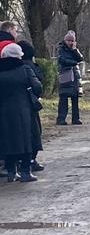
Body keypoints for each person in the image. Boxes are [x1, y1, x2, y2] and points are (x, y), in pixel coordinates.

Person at [0, 43, 43, 182]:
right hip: (23, 110)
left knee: (7, 140)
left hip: (3, 111)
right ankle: (25, 171)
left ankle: (11, 171)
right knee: (25, 140)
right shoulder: (24, 69)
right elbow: (37, 87)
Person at [18, 40, 45, 172]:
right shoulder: (29, 67)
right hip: (29, 104)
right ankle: (31, 160)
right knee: (34, 131)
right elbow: (38, 85)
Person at [56, 30, 83, 126]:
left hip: (75, 76)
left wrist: (74, 49)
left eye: (72, 41)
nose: (70, 43)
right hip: (65, 75)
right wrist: (73, 62)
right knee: (63, 98)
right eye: (69, 41)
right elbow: (62, 60)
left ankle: (76, 118)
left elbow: (80, 58)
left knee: (75, 98)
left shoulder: (74, 49)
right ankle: (61, 118)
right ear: (65, 40)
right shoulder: (61, 49)